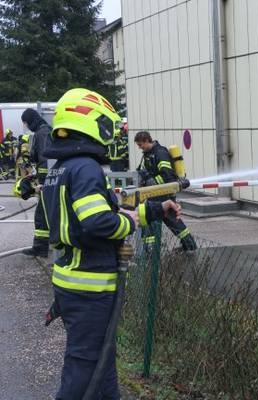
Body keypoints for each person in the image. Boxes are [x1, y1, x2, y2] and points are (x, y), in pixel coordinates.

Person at [42, 88, 182, 399]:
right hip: (90, 286)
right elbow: (98, 222)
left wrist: (156, 209)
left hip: (75, 282)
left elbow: (103, 213)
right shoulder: (86, 167)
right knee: (85, 365)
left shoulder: (62, 167)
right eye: (109, 126)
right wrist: (129, 224)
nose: (113, 134)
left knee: (102, 361)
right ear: (90, 122)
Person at [134, 131, 197, 251]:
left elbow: (168, 176)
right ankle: (150, 251)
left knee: (173, 222)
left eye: (140, 144)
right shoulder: (148, 154)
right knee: (150, 221)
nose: (139, 147)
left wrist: (151, 182)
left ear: (147, 141)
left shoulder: (160, 153)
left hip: (164, 195)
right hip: (154, 195)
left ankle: (190, 246)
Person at [20, 108, 52, 257]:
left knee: (41, 215)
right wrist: (34, 175)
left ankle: (41, 248)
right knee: (44, 214)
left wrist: (43, 182)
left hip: (47, 182)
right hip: (47, 180)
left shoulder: (42, 133)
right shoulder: (42, 131)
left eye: (26, 123)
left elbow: (46, 160)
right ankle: (44, 246)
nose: (26, 126)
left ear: (31, 120)